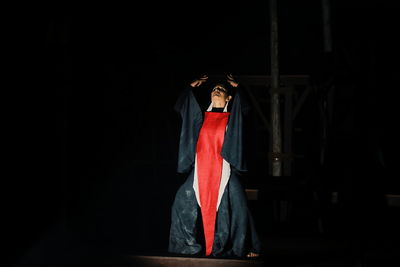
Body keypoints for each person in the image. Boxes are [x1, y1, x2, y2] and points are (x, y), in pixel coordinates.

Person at [168, 74, 261, 258]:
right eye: (213, 89)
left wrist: (239, 88)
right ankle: (186, 246)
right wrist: (190, 88)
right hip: (201, 170)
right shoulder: (200, 119)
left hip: (225, 167)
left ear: (229, 98)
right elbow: (181, 108)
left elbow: (246, 109)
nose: (216, 90)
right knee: (181, 202)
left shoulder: (233, 119)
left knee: (238, 206)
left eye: (221, 89)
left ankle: (245, 246)